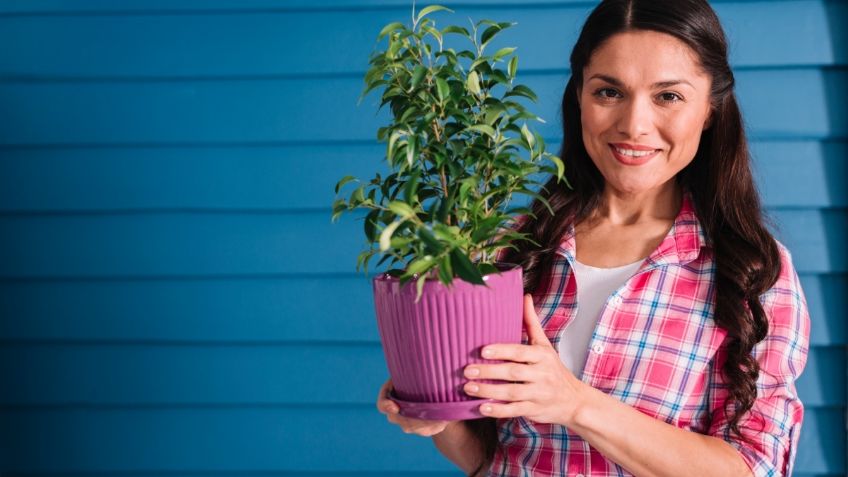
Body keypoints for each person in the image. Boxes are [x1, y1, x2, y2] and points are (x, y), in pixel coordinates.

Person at [376, 0, 811, 475]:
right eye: (609, 92)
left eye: (668, 96)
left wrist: (576, 404)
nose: (634, 125)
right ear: (579, 95)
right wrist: (437, 415)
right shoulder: (509, 248)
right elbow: (497, 460)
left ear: (710, 108)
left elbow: (754, 467)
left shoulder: (752, 270)